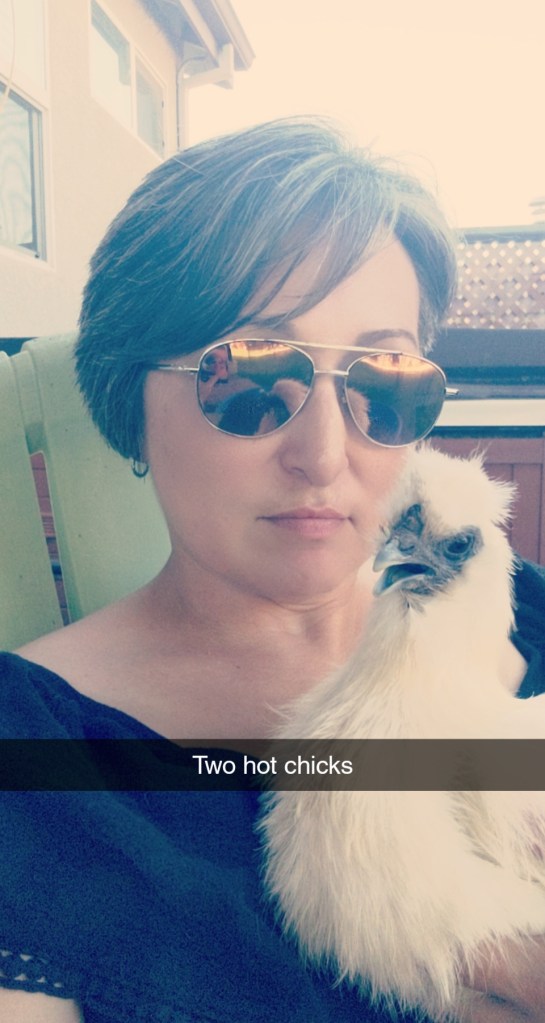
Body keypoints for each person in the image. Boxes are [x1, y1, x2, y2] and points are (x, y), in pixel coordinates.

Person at [1, 117, 545, 1023]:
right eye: (248, 378)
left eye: (384, 380)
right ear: (129, 404)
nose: (324, 454)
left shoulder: (519, 603)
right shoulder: (34, 764)